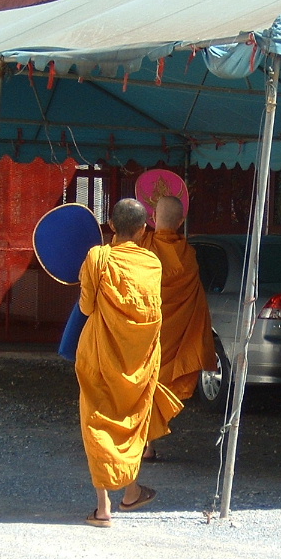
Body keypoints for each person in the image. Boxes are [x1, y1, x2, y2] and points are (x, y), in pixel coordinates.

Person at [75, 198, 182, 527]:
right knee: (130, 421)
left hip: (101, 355)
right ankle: (131, 491)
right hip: (138, 360)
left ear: (110, 226)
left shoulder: (99, 258)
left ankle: (104, 507)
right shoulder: (152, 263)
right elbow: (153, 313)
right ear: (144, 228)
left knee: (98, 422)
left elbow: (86, 308)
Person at [140, 194, 216, 459]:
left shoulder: (142, 248)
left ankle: (131, 442)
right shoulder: (188, 255)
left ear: (152, 218)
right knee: (159, 383)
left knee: (138, 383)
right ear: (182, 221)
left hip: (143, 331)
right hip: (172, 337)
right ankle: (147, 445)